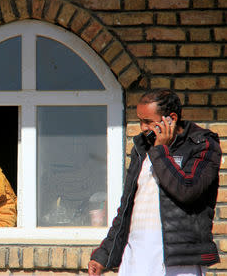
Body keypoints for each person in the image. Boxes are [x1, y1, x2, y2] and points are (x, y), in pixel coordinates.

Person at [88, 89, 222, 276]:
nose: (142, 128)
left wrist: (161, 150)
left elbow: (187, 190)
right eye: (140, 120)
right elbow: (127, 208)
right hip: (136, 258)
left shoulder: (202, 146)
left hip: (177, 262)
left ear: (171, 118)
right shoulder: (142, 149)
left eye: (148, 122)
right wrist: (104, 254)